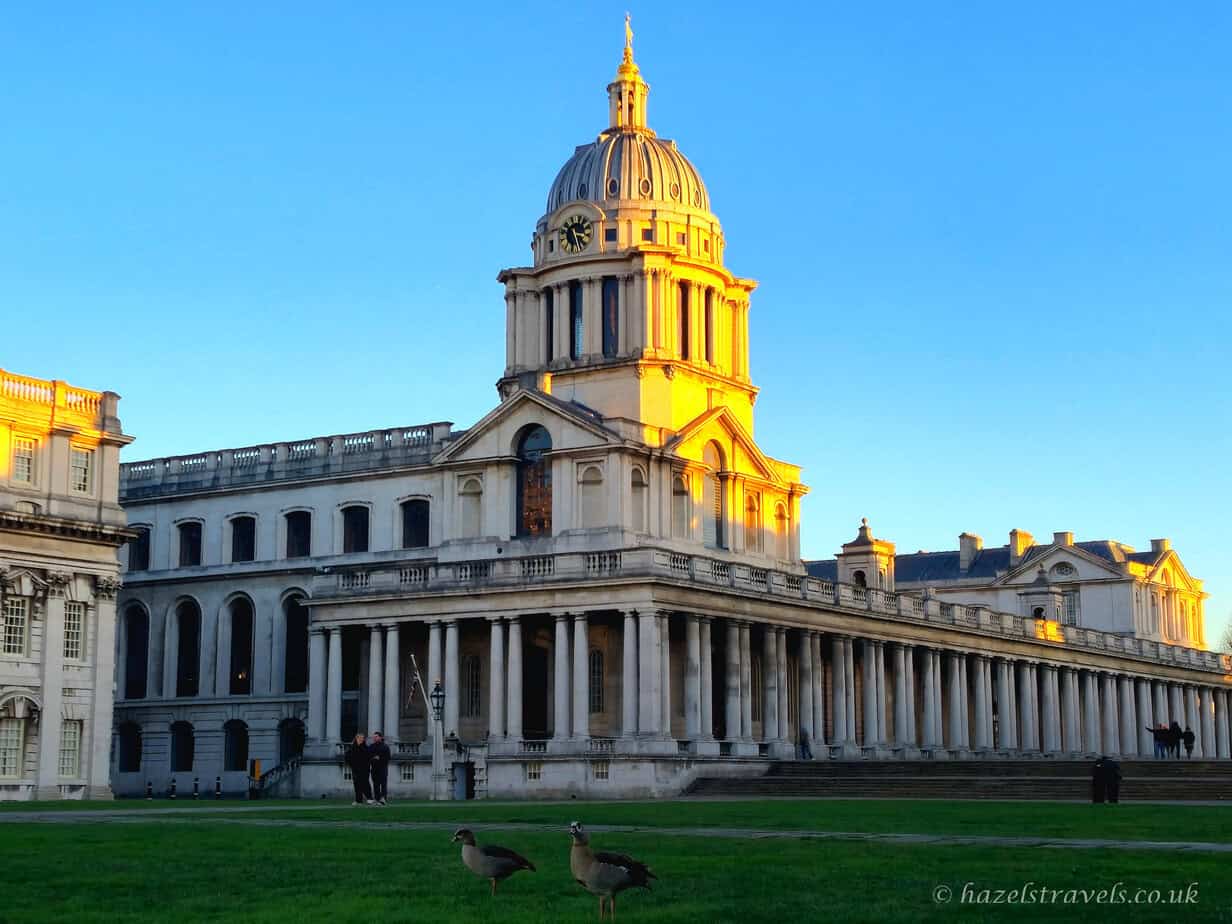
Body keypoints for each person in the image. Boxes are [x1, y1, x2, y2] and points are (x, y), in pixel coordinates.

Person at [345, 733, 373, 805]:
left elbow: (369, 758)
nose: (361, 739)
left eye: (362, 738)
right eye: (360, 738)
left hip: (364, 769)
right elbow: (347, 757)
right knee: (357, 784)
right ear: (356, 738)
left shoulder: (366, 747)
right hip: (355, 769)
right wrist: (351, 764)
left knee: (365, 783)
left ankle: (369, 798)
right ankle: (358, 800)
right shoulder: (352, 748)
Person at [368, 731, 391, 806]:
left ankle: (383, 799)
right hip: (374, 768)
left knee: (383, 784)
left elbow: (388, 758)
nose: (374, 738)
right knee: (376, 785)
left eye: (376, 737)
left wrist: (379, 758)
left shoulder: (385, 747)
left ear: (380, 737)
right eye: (374, 737)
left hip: (383, 768)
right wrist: (373, 758)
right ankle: (377, 799)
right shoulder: (371, 746)